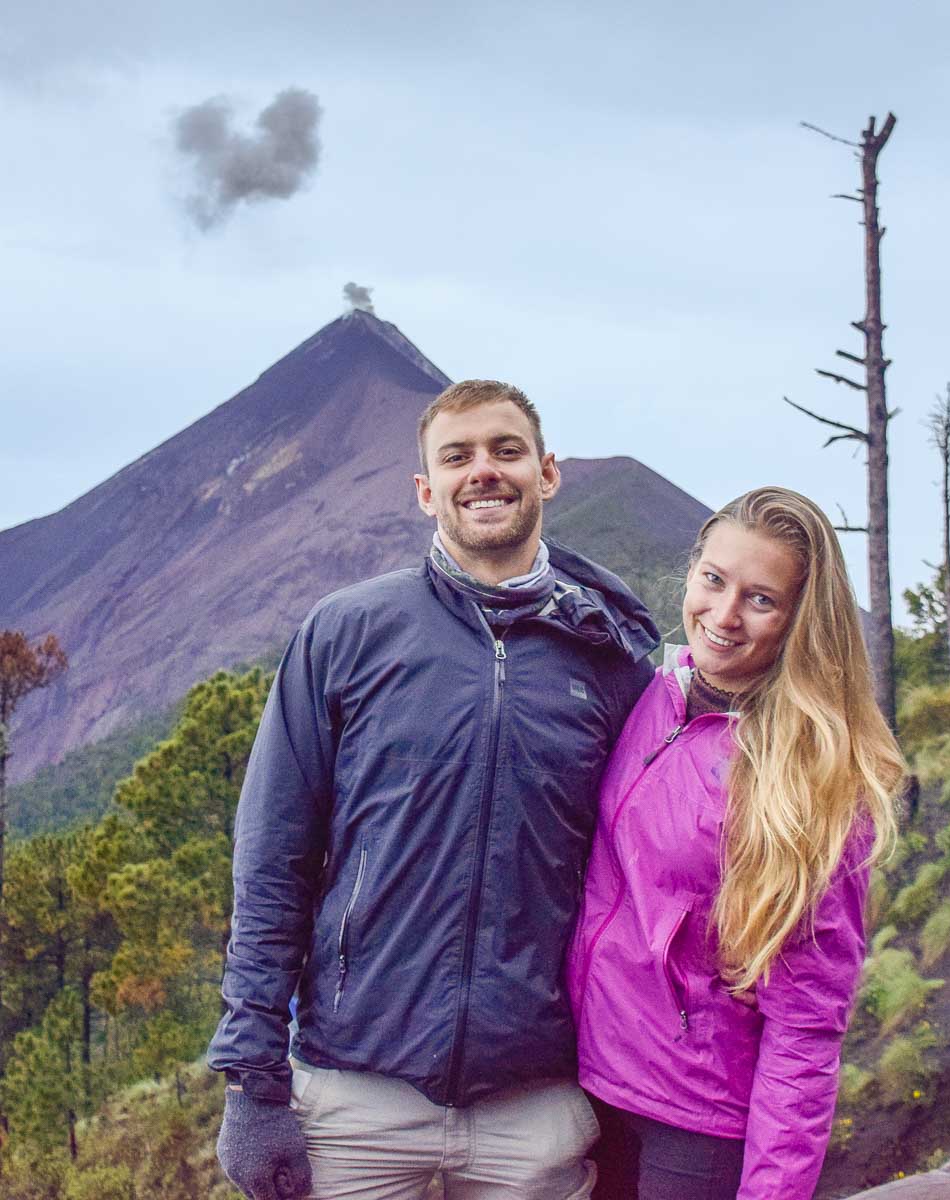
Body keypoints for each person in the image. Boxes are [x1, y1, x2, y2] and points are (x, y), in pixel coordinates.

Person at [209, 379, 659, 1200]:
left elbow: (644, 883)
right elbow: (272, 858)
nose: (483, 471)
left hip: (540, 1109)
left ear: (547, 473)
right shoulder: (345, 633)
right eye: (457, 456)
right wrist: (251, 1082)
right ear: (426, 491)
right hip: (354, 1097)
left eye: (506, 450)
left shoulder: (611, 657)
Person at [566, 486, 904, 1200]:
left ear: (799, 621)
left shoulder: (812, 777)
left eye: (760, 599)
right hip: (586, 1084)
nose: (723, 616)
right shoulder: (655, 695)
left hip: (695, 1124)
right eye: (714, 580)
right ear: (690, 573)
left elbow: (807, 1027)